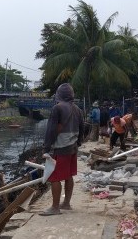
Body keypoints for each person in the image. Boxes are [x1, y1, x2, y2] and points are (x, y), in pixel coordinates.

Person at [41, 83, 83, 216]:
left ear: (59, 95)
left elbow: (51, 130)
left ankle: (55, 207)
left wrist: (46, 148)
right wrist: (78, 143)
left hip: (61, 147)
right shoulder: (78, 109)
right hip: (73, 147)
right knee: (69, 175)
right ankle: (66, 203)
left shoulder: (57, 108)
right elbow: (82, 129)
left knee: (54, 178)